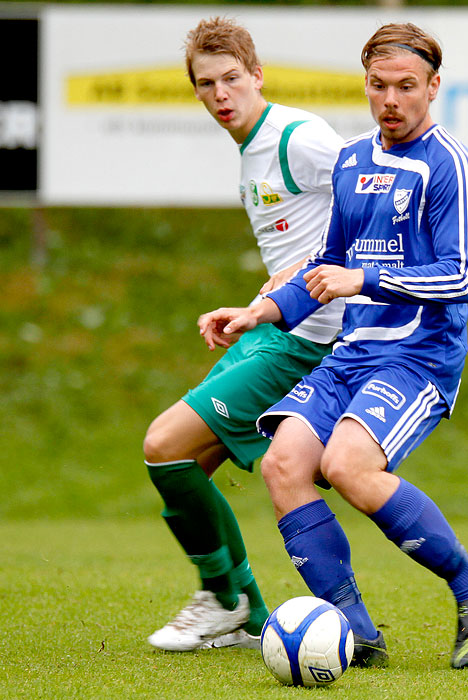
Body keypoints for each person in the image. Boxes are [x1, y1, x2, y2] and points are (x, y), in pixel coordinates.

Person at [198, 22, 468, 669]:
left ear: (432, 88)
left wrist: (363, 278)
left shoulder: (450, 166)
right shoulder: (351, 161)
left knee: (346, 465)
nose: (390, 100)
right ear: (365, 87)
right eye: (377, 86)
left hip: (418, 354)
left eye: (405, 87)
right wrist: (260, 311)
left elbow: (461, 276)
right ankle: (352, 629)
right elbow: (328, 261)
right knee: (282, 464)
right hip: (353, 351)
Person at [143, 17, 384, 665]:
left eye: (230, 80)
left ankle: (230, 601)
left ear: (256, 77)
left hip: (309, 341)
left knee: (164, 445)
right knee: (182, 466)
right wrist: (256, 304)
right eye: (205, 84)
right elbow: (296, 239)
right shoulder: (251, 149)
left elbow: (372, 195)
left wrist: (307, 271)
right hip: (276, 327)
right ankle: (236, 603)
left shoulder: (296, 136)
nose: (220, 94)